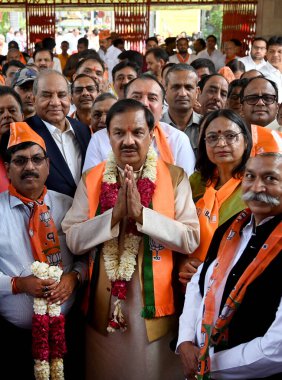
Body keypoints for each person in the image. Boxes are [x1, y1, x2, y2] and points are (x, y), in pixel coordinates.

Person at [62, 98, 200, 380]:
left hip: (155, 306)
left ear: (152, 134)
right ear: (107, 136)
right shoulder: (92, 178)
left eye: (137, 132)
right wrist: (113, 216)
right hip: (103, 306)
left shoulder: (174, 177)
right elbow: (74, 240)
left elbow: (190, 237)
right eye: (119, 133)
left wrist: (141, 215)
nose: (128, 141)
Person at [177, 146, 282, 380]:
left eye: (270, 178)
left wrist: (207, 365)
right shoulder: (232, 227)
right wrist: (185, 340)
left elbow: (278, 348)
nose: (256, 187)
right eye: (250, 177)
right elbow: (199, 281)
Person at [0, 121, 87, 379]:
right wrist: (18, 284)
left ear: (48, 166)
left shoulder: (69, 206)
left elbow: (86, 257)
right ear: (7, 169)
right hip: (11, 339)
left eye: (37, 159)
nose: (29, 167)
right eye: (20, 161)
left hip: (68, 331)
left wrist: (74, 278)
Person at [83, 74, 196, 177]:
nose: (144, 104)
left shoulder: (178, 140)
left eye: (152, 98)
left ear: (162, 108)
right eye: (136, 97)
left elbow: (186, 186)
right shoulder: (100, 139)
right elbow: (90, 185)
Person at [185, 109, 252, 270]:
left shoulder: (255, 185)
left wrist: (208, 271)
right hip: (188, 277)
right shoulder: (196, 182)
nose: (221, 144)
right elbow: (179, 228)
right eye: (212, 137)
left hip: (231, 277)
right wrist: (182, 263)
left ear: (246, 141)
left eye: (230, 136)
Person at [25, 69, 91, 197]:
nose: (55, 102)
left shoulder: (83, 130)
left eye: (61, 95)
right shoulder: (24, 133)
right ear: (34, 99)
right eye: (47, 95)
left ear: (70, 98)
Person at [162, 63, 201, 157]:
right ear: (165, 91)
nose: (183, 93)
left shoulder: (206, 126)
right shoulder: (155, 127)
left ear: (197, 92)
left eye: (188, 87)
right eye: (176, 87)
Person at [0, 86, 24, 192]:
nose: (6, 115)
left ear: (22, 116)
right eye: (0, 112)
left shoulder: (37, 149)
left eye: (12, 110)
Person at [260, 36, 282, 102]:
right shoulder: (261, 74)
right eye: (271, 51)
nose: (275, 55)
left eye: (280, 51)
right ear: (266, 53)